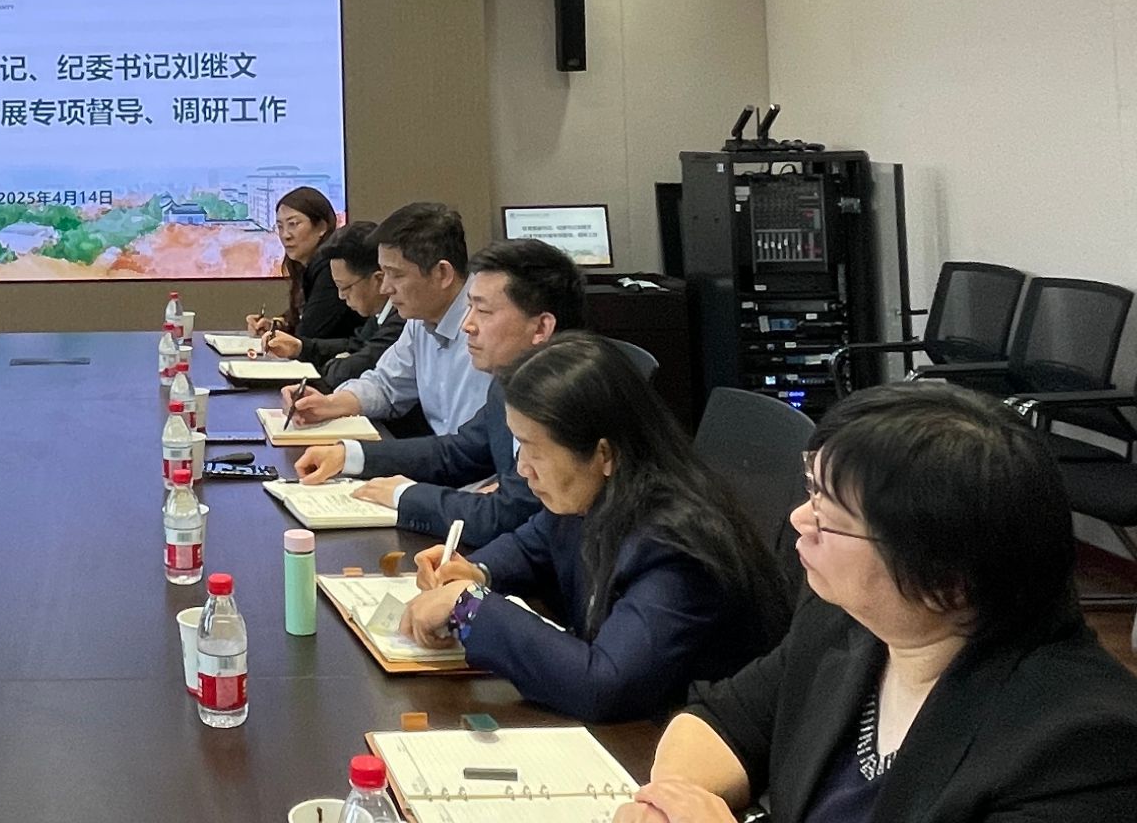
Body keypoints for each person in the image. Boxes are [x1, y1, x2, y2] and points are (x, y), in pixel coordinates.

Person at [612, 383, 1137, 823]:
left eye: (830, 516)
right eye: (812, 492)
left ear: (947, 579)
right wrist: (670, 802)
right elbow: (724, 721)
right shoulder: (843, 622)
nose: (799, 519)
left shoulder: (1082, 747)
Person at [398, 335, 789, 722]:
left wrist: (468, 606)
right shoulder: (594, 493)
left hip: (672, 741)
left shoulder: (676, 545)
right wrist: (475, 572)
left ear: (604, 454)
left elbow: (604, 684)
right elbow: (532, 544)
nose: (522, 468)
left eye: (535, 450)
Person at [293, 237, 585, 547]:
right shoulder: (511, 382)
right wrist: (350, 455)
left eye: (483, 311)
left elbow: (507, 514)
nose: (467, 325)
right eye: (469, 307)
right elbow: (458, 452)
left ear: (540, 328)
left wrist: (403, 495)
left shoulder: (570, 402)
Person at [282, 202, 490, 438]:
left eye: (396, 275)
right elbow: (385, 385)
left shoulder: (492, 326)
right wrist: (330, 404)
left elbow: (475, 447)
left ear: (442, 274)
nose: (385, 288)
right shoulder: (419, 321)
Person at [256, 220, 401, 386]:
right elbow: (355, 345)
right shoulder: (380, 315)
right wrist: (300, 348)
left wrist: (334, 364)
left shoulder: (402, 320)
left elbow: (355, 367)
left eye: (345, 287)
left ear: (379, 280)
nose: (341, 296)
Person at [243, 186, 356, 345]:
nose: (285, 235)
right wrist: (277, 325)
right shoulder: (304, 266)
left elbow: (308, 333)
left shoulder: (331, 268)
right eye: (280, 226)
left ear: (322, 227)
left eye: (293, 224)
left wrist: (282, 334)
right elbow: (303, 319)